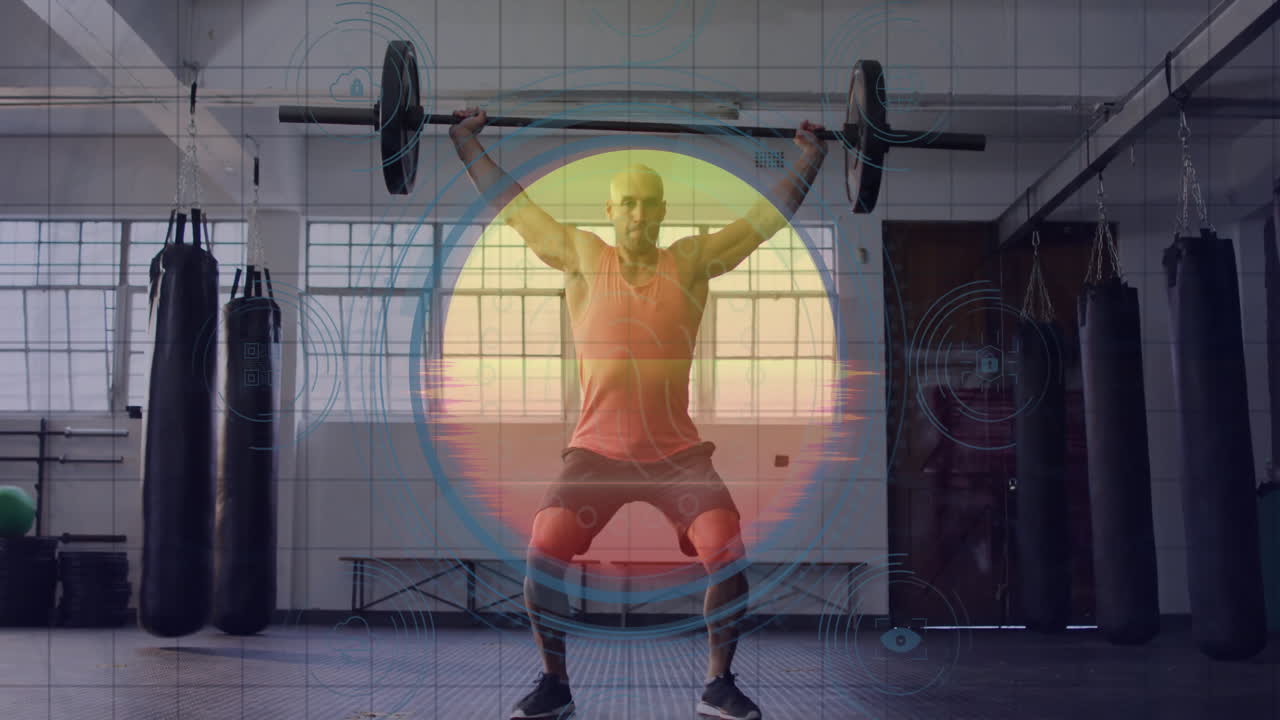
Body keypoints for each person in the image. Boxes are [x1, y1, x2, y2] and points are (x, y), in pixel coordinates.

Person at [450, 107, 826, 720]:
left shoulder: (692, 261)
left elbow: (765, 220)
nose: (639, 215)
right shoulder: (580, 255)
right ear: (609, 211)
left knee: (726, 555)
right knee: (543, 559)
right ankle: (554, 686)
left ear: (662, 212)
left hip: (677, 453)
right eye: (627, 203)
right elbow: (512, 206)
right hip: (595, 452)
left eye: (649, 204)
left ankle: (718, 685)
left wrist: (810, 158)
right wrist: (467, 143)